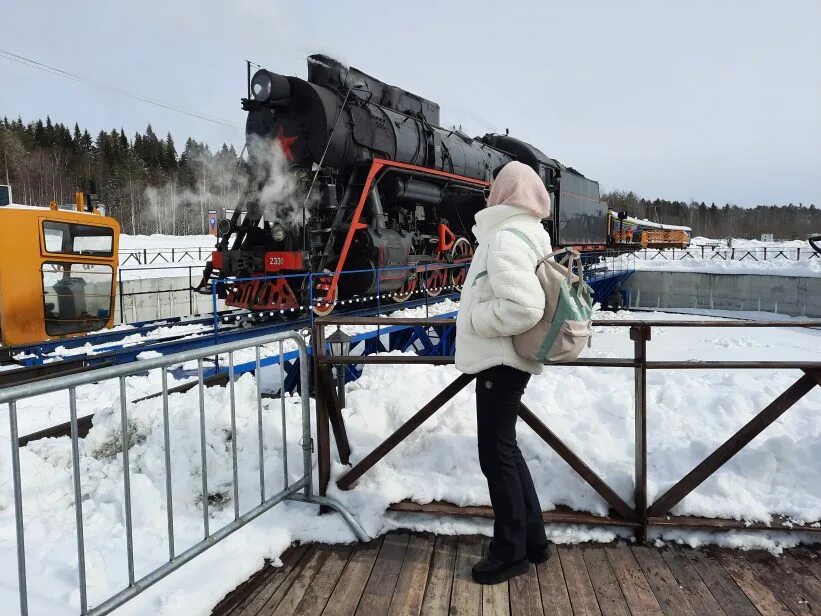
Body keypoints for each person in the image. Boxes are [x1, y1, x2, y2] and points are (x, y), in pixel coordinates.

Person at [455, 160, 553, 585]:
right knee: (506, 450)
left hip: (501, 360)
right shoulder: (530, 233)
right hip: (508, 360)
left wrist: (477, 319)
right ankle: (534, 541)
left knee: (495, 456)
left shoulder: (505, 238)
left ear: (505, 194)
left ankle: (509, 552)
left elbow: (525, 307)